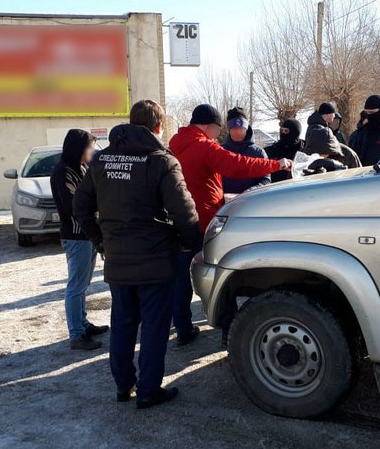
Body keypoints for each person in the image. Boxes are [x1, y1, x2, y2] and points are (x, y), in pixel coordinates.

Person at [73, 100, 200, 409]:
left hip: (119, 261)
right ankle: (148, 390)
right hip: (156, 261)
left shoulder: (101, 161)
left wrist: (102, 241)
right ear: (158, 127)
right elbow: (185, 212)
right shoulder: (161, 161)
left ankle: (123, 385)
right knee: (155, 328)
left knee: (123, 324)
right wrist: (190, 243)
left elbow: (80, 207)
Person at [169, 104, 292, 345]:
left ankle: (182, 327)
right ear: (208, 126)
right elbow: (238, 165)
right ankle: (228, 330)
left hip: (179, 220)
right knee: (220, 273)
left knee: (180, 277)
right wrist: (276, 165)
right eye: (217, 128)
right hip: (203, 221)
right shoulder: (205, 146)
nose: (219, 133)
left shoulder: (175, 144)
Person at [50, 129, 108, 351]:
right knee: (76, 286)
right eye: (89, 147)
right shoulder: (62, 172)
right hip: (76, 237)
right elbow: (73, 206)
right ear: (79, 148)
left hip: (88, 235)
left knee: (83, 284)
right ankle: (76, 334)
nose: (92, 151)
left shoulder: (80, 168)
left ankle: (83, 324)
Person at [221, 107, 271, 194]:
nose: (238, 132)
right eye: (234, 129)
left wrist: (250, 192)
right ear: (229, 130)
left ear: (246, 128)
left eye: (241, 129)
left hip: (250, 203)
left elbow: (265, 181)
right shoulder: (220, 151)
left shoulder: (258, 153)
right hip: (224, 203)